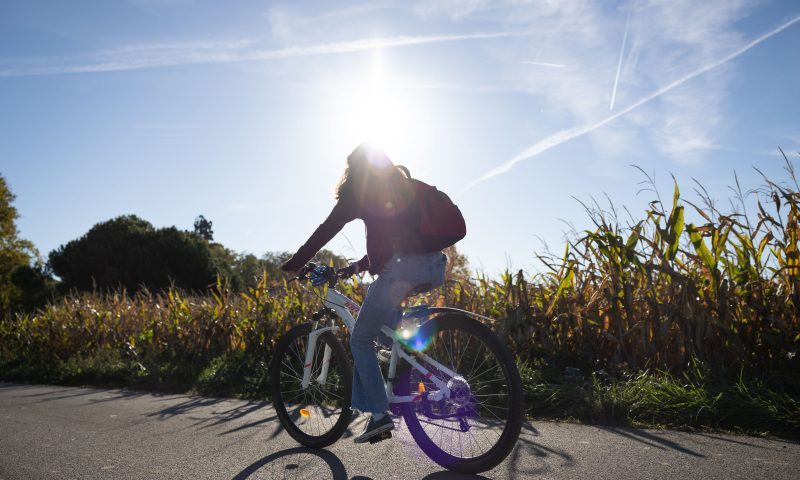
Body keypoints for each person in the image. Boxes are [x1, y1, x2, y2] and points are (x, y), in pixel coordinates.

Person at [281, 143, 448, 443]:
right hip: (435, 265)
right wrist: (355, 267)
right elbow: (399, 242)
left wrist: (297, 262)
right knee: (386, 335)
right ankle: (407, 383)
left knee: (360, 339)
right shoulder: (400, 185)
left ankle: (379, 415)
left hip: (401, 271)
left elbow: (326, 229)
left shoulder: (358, 192)